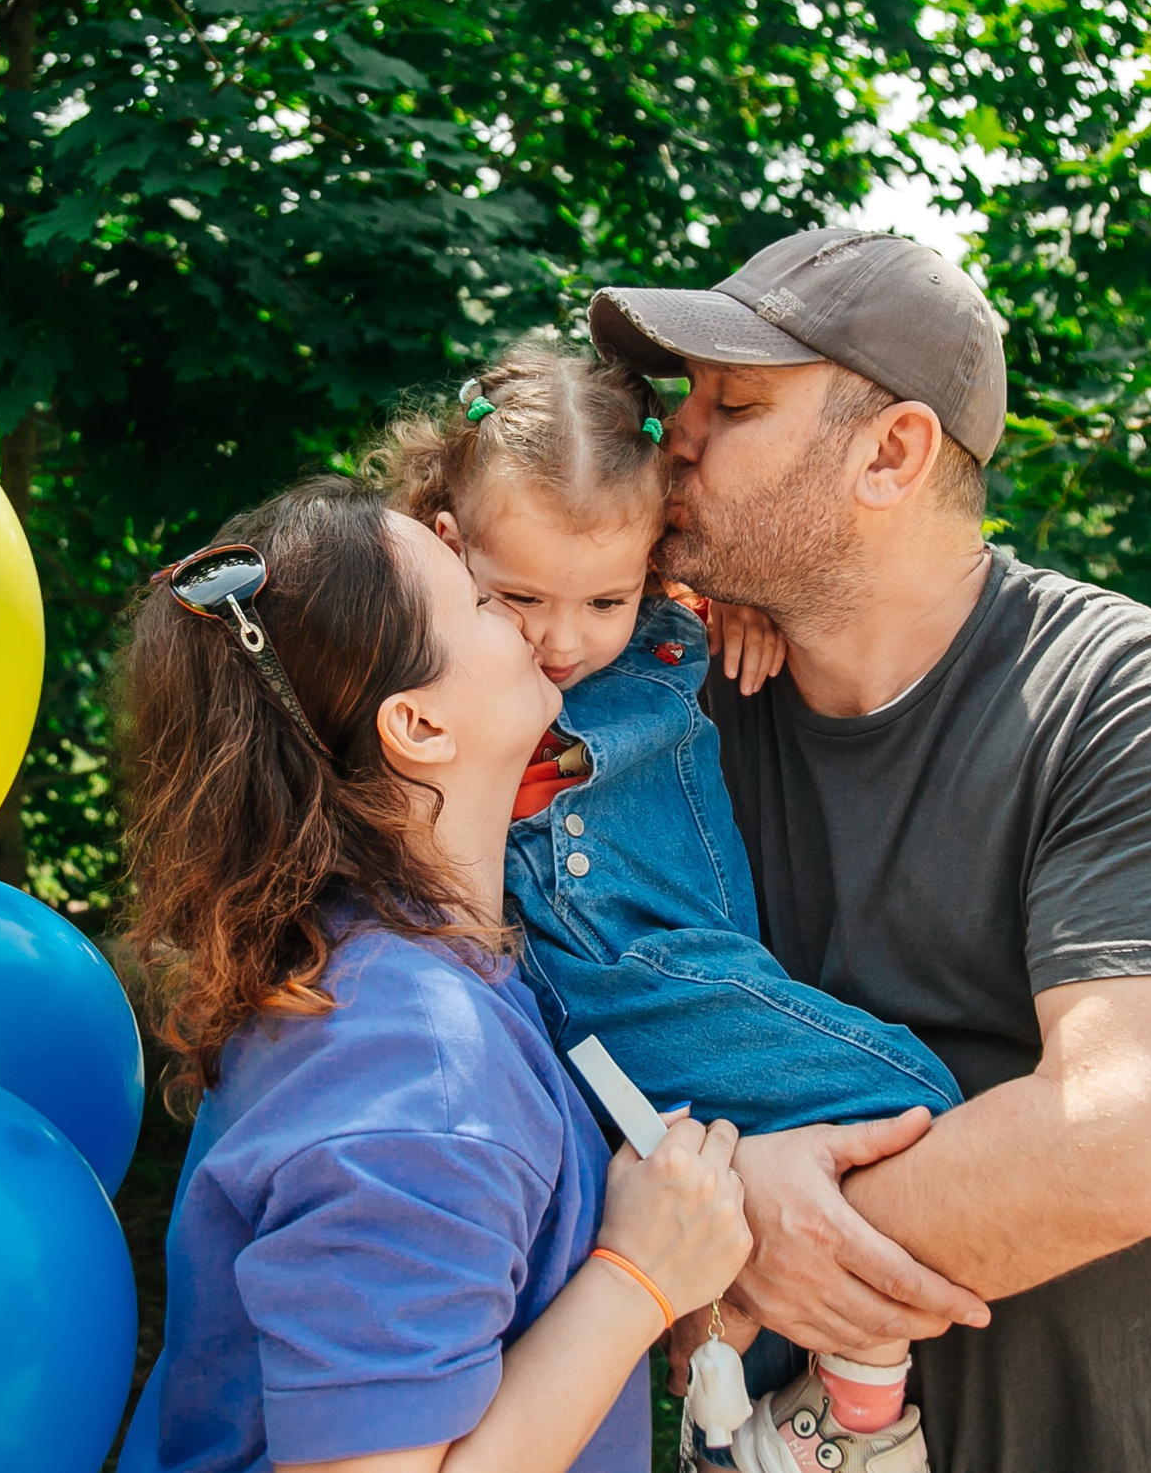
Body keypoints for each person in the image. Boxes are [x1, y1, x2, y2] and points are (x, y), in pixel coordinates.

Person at [589, 227, 1151, 1471]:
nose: (675, 435)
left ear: (891, 452)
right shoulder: (662, 705)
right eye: (685, 396)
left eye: (734, 402)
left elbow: (1121, 1139)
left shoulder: (1117, 698)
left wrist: (736, 1249)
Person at [365, 344, 982, 1470]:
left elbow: (771, 588)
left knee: (802, 1146)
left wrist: (736, 604)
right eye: (519, 599)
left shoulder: (676, 633)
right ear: (451, 549)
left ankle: (753, 1421)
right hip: (574, 986)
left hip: (680, 970)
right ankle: (853, 1413)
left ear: (652, 566)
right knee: (904, 1096)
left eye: (604, 597)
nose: (561, 638)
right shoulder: (422, 668)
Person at [111, 476, 751, 1473]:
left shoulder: (369, 959)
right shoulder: (413, 1067)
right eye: (482, 598)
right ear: (417, 726)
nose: (524, 607)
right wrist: (639, 1276)